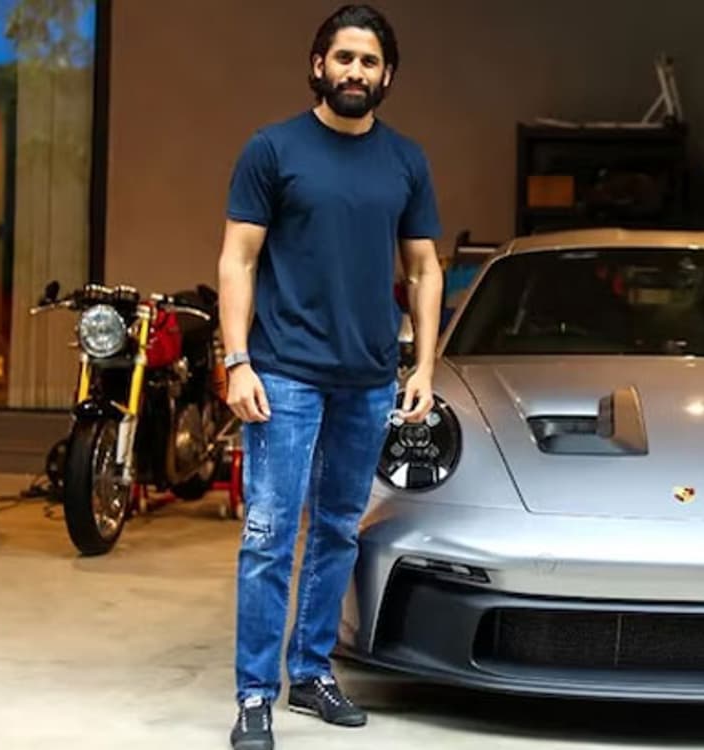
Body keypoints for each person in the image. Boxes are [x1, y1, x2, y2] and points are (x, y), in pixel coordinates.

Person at [215, 5, 443, 749]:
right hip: (282, 372)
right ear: (318, 65)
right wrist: (237, 360)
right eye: (343, 57)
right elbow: (238, 259)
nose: (355, 72)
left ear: (387, 75)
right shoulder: (273, 149)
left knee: (339, 529)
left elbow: (425, 268)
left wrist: (423, 365)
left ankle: (310, 673)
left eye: (369, 61)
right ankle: (255, 692)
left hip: (369, 378)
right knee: (270, 534)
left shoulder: (405, 160)